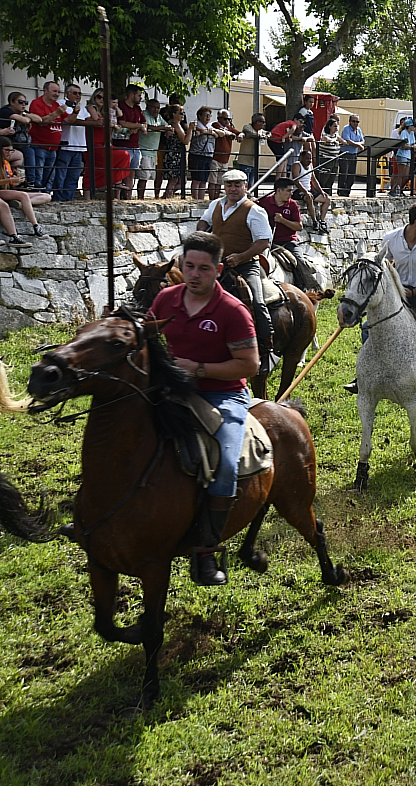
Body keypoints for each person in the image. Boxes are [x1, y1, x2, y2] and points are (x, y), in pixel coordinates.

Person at [148, 231, 258, 587]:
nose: (195, 275)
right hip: (170, 389)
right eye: (189, 266)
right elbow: (146, 340)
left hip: (221, 395)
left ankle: (207, 551)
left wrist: (197, 369)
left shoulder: (232, 311)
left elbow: (249, 366)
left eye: (204, 269)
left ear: (218, 270)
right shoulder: (165, 300)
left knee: (225, 463)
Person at [344, 202, 416, 408]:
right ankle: (365, 375)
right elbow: (382, 267)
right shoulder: (390, 240)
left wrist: (414, 291)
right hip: (397, 293)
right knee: (367, 328)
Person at [196, 169, 274, 375]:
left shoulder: (254, 210)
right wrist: (202, 233)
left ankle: (266, 351)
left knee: (256, 301)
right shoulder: (215, 205)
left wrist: (241, 257)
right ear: (224, 186)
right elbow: (205, 221)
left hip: (245, 264)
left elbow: (263, 242)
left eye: (237, 185)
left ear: (245, 186)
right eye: (229, 185)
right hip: (216, 264)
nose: (233, 189)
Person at [0, 138, 52, 247]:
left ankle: (21, 203)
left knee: (46, 196)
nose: (10, 153)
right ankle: (35, 226)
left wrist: (19, 183)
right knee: (21, 196)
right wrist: (10, 180)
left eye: (11, 150)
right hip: (2, 192)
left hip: (7, 190)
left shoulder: (6, 163)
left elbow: (10, 183)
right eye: (7, 150)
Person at [26, 81, 67, 192]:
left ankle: (46, 196)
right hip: (40, 145)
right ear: (45, 90)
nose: (57, 94)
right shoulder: (36, 103)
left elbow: (68, 120)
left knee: (50, 176)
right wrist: (56, 113)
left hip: (53, 147)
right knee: (38, 174)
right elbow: (41, 122)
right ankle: (37, 195)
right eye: (54, 91)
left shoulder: (56, 105)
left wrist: (76, 112)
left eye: (58, 92)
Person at [258, 177, 304, 252]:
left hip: (288, 241)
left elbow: (299, 227)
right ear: (279, 190)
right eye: (288, 190)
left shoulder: (293, 204)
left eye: (291, 191)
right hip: (267, 241)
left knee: (300, 260)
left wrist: (282, 220)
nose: (291, 193)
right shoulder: (264, 202)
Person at [291, 149, 331, 233]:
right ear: (301, 158)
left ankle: (322, 220)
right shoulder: (297, 165)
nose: (309, 160)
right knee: (309, 198)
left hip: (309, 190)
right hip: (298, 191)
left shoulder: (311, 166)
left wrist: (321, 191)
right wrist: (306, 192)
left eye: (310, 158)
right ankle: (314, 221)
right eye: (307, 158)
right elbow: (296, 181)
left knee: (327, 199)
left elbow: (313, 179)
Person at [136, 98, 168, 199]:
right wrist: (163, 128)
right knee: (143, 176)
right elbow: (148, 127)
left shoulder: (159, 117)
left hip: (154, 151)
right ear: (148, 107)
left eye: (158, 108)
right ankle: (140, 198)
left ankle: (153, 196)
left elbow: (166, 125)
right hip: (144, 150)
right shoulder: (144, 114)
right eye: (154, 107)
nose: (156, 110)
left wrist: (168, 129)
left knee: (150, 176)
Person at [160, 104, 192, 199]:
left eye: (184, 113)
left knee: (180, 181)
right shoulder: (175, 124)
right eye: (181, 113)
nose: (183, 115)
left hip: (177, 154)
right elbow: (185, 140)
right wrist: (190, 129)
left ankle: (167, 196)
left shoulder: (175, 124)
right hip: (173, 155)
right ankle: (167, 197)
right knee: (173, 180)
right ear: (174, 114)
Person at [209, 109, 240, 199]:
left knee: (219, 182)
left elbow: (238, 132)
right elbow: (221, 131)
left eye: (229, 119)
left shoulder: (229, 127)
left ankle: (216, 198)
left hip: (225, 159)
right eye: (225, 119)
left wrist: (240, 135)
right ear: (219, 118)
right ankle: (211, 199)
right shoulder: (215, 125)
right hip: (215, 157)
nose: (227, 121)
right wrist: (229, 133)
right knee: (213, 181)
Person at [188, 106, 216, 200]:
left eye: (209, 115)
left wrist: (207, 132)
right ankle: (195, 199)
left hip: (208, 155)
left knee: (204, 180)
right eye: (205, 115)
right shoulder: (196, 125)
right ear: (199, 116)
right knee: (196, 179)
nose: (208, 117)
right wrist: (207, 132)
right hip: (197, 155)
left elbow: (217, 134)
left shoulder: (210, 126)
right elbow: (196, 131)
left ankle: (201, 199)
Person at [338, 114, 365, 196]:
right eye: (353, 121)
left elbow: (363, 140)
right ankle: (341, 191)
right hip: (345, 154)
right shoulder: (346, 128)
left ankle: (347, 190)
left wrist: (358, 144)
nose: (355, 123)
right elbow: (348, 141)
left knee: (352, 175)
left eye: (357, 121)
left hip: (354, 154)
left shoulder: (359, 130)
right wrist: (359, 145)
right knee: (344, 173)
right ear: (350, 121)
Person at [236, 113, 267, 183]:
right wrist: (259, 136)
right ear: (258, 122)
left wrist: (267, 135)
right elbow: (248, 133)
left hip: (255, 162)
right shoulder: (247, 127)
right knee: (244, 183)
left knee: (251, 185)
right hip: (245, 162)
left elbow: (268, 133)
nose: (264, 124)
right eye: (263, 122)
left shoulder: (260, 131)